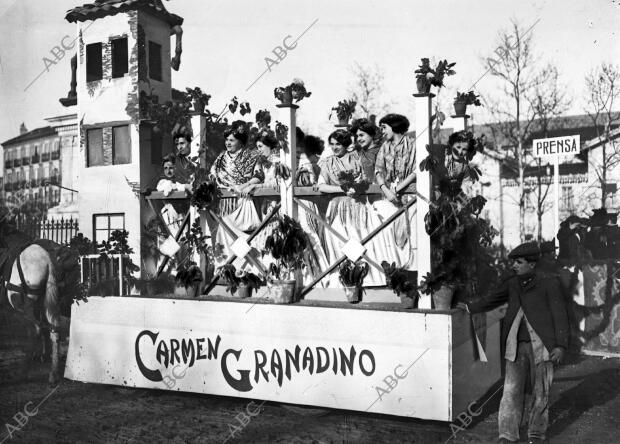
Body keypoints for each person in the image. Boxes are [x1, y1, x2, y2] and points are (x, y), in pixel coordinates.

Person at [460, 242, 569, 444]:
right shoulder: (513, 283)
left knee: (541, 391)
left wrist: (560, 345)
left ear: (532, 264)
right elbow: (493, 299)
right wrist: (469, 307)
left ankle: (536, 434)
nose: (514, 266)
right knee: (510, 391)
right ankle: (507, 435)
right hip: (515, 346)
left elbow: (560, 314)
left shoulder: (549, 282)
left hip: (543, 346)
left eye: (519, 262)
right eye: (514, 262)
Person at [374, 113, 417, 269]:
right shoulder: (385, 147)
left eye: (384, 128)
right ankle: (396, 270)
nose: (382, 132)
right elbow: (378, 170)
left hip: (411, 196)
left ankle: (413, 271)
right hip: (391, 197)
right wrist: (385, 189)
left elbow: (416, 170)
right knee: (387, 235)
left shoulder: (413, 144)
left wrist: (398, 188)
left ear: (395, 126)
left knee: (413, 235)